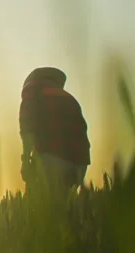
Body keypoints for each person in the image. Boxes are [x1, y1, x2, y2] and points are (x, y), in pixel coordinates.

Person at [19, 67, 90, 196]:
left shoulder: (33, 90)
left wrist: (25, 162)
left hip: (50, 159)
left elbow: (28, 128)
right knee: (63, 210)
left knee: (36, 208)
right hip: (80, 163)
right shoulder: (71, 99)